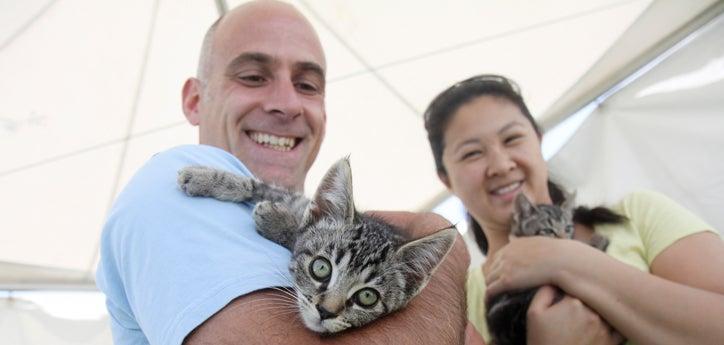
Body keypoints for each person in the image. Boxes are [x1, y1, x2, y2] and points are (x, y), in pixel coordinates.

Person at [96, 1, 472, 344]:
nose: (286, 104)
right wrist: (448, 262)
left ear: (324, 112)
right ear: (195, 100)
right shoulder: (170, 186)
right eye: (253, 77)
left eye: (306, 85)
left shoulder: (328, 236)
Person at [423, 74, 724, 344]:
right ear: (446, 179)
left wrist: (567, 261)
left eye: (512, 138)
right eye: (472, 153)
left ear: (539, 140)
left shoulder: (637, 215)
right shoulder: (457, 308)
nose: (501, 165)